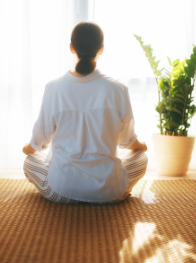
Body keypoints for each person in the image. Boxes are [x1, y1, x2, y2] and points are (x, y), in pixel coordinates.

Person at [22, 21, 148, 204]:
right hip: (110, 194)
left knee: (29, 161)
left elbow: (39, 141)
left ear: (72, 48)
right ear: (102, 49)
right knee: (141, 158)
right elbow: (126, 142)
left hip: (60, 192)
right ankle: (109, 187)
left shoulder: (54, 88)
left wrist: (27, 149)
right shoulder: (118, 89)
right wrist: (141, 146)